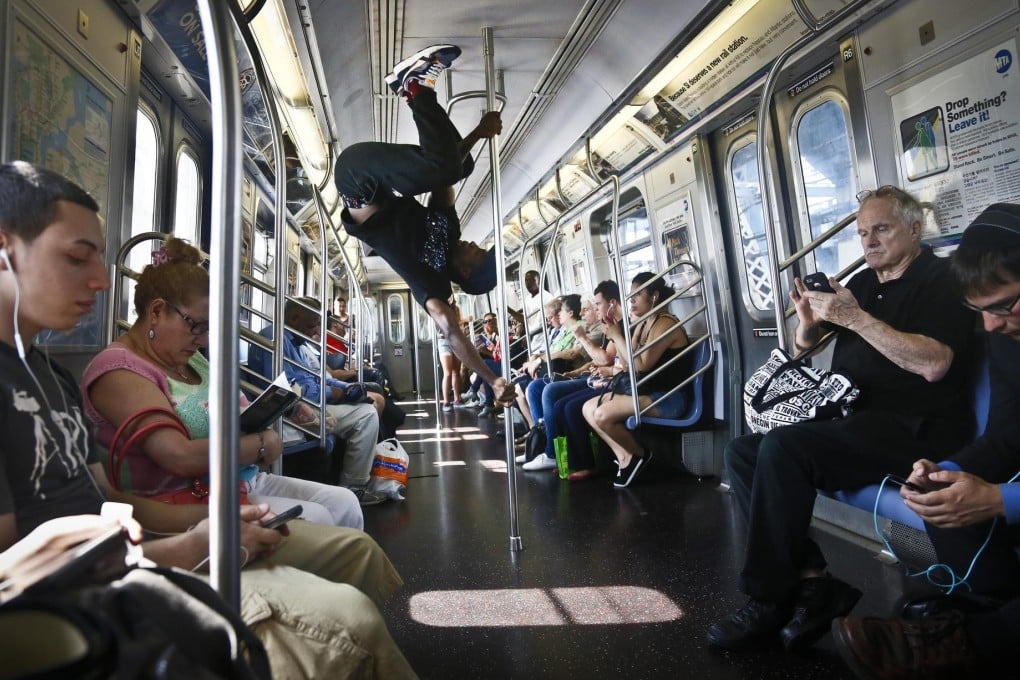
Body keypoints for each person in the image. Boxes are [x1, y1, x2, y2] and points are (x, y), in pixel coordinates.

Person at [0, 161, 416, 678]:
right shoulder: (109, 371)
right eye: (77, 257)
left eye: (101, 259)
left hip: (138, 556)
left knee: (356, 554)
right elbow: (32, 557)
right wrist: (195, 543)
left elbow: (106, 499)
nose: (102, 280)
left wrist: (212, 530)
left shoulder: (49, 377)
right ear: (4, 250)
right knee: (347, 620)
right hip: (77, 605)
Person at [707, 185, 978, 653]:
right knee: (743, 450)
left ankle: (769, 599)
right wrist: (809, 321)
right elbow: (803, 347)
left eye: (882, 229)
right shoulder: (862, 285)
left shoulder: (942, 280)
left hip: (914, 425)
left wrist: (856, 320)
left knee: (785, 447)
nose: (869, 241)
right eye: (862, 233)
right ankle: (813, 582)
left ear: (914, 229)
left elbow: (935, 364)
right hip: (852, 416)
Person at [831, 203, 1020, 679]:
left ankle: (963, 642)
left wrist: (1002, 500)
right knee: (939, 497)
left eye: (1003, 306)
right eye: (982, 313)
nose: (993, 326)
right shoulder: (1007, 337)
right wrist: (949, 472)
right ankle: (992, 607)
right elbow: (1007, 433)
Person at [80, 238, 364, 529]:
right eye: (196, 326)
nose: (203, 340)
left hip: (235, 478)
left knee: (343, 503)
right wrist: (262, 444)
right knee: (319, 519)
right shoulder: (119, 371)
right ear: (156, 311)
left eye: (209, 329)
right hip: (181, 496)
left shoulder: (193, 360)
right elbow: (178, 457)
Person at [334, 43, 514, 408]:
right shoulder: (449, 229)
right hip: (377, 180)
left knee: (449, 167)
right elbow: (446, 176)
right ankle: (413, 89)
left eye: (478, 253)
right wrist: (479, 133)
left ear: (465, 270)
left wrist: (492, 379)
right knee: (460, 168)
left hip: (356, 182)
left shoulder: (431, 283)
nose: (475, 245)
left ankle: (414, 87)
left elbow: (450, 330)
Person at [247, 298, 387, 506]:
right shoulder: (275, 339)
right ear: (294, 318)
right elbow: (290, 391)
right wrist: (336, 394)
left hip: (311, 400)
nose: (315, 331)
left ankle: (359, 474)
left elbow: (318, 377)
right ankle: (354, 486)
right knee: (365, 416)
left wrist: (345, 387)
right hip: (292, 411)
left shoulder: (296, 341)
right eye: (312, 324)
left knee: (367, 403)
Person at [578, 274, 692, 487]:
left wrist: (617, 336)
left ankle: (642, 457)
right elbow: (628, 363)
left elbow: (641, 366)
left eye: (637, 295)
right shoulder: (644, 323)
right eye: (631, 295)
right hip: (648, 391)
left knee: (602, 414)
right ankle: (626, 458)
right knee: (587, 408)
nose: (631, 300)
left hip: (668, 397)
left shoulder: (665, 324)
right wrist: (615, 334)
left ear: (654, 296)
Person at [438, 295, 464, 412]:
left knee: (456, 372)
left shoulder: (456, 309)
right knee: (447, 372)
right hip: (444, 341)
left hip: (455, 340)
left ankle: (457, 398)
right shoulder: (439, 309)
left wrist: (453, 308)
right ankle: (446, 401)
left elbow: (458, 324)